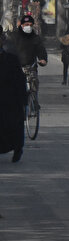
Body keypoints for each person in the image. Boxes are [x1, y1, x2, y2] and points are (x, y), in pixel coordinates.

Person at [0, 32, 26, 162]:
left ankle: (18, 148)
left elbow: (20, 81)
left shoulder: (11, 59)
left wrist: (23, 99)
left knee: (14, 124)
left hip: (9, 99)